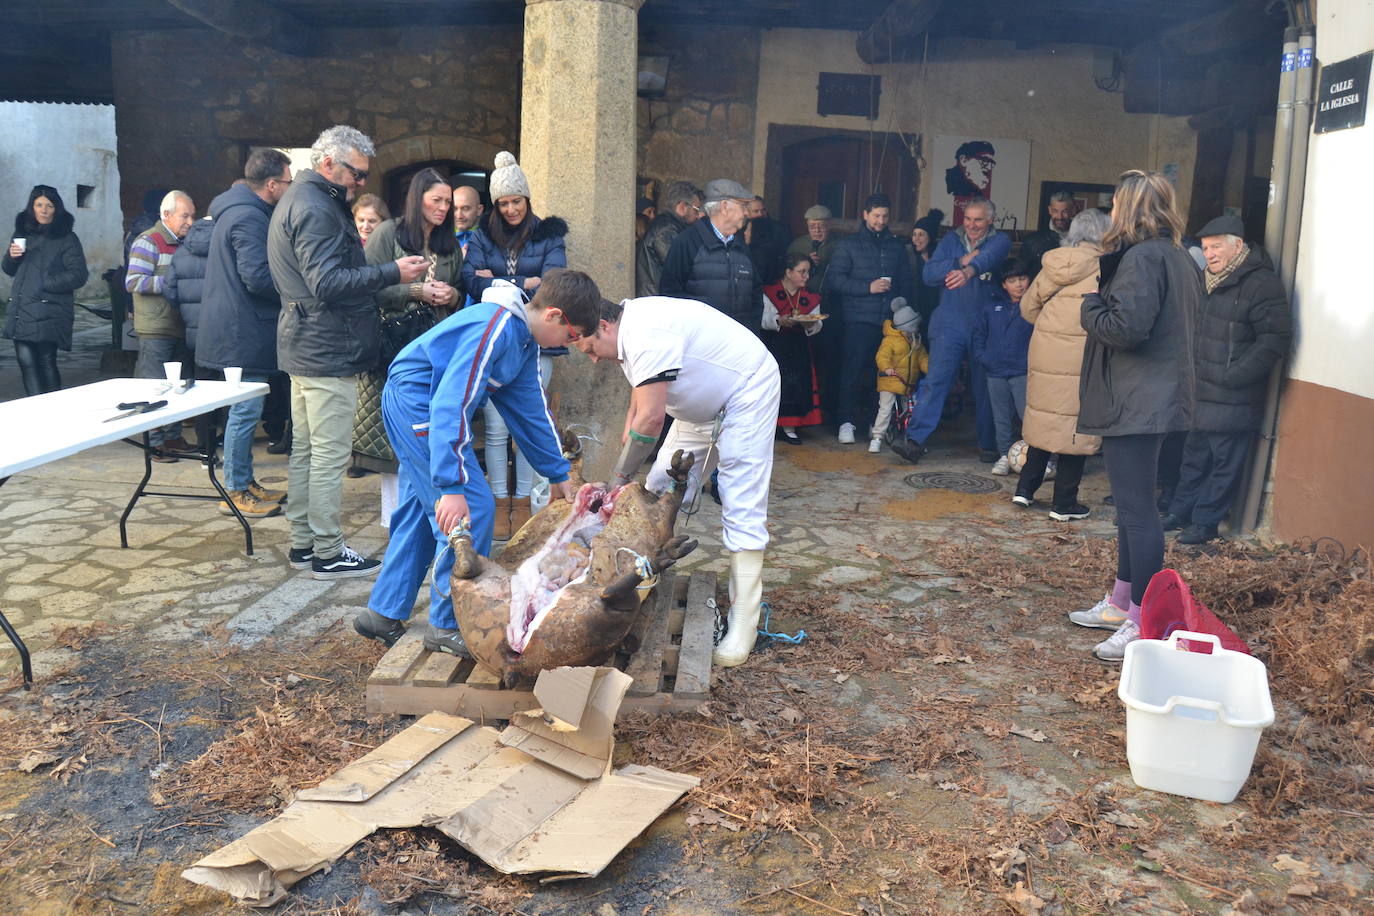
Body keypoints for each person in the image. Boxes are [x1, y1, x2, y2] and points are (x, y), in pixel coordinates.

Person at [352, 270, 600, 656]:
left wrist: (558, 472)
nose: (572, 344)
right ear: (553, 316)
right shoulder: (496, 328)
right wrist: (452, 486)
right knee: (472, 509)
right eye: (572, 335)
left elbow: (530, 410)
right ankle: (447, 624)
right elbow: (452, 402)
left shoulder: (523, 341)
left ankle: (382, 613)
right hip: (419, 404)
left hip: (424, 404)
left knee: (425, 512)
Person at [574, 294, 781, 669]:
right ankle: (636, 582)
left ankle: (744, 623)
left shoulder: (645, 332)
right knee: (656, 489)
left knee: (740, 501)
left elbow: (652, 420)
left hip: (747, 389)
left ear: (604, 325)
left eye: (589, 346)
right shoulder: (628, 327)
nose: (591, 357)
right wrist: (630, 429)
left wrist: (619, 477)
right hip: (700, 407)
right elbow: (641, 403)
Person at [269, 124, 430, 579]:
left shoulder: (299, 199)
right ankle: (327, 549)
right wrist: (391, 272)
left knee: (306, 450)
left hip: (306, 341)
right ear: (327, 164)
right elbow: (328, 284)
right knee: (328, 455)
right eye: (355, 174)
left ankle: (305, 542)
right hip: (325, 345)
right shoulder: (316, 208)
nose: (361, 184)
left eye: (363, 176)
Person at [1070, 169, 1200, 662]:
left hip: (1139, 401)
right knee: (1132, 510)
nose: (1112, 213)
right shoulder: (1178, 257)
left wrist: (1089, 307)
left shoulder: (1145, 257)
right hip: (1155, 397)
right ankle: (1123, 601)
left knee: (1140, 515)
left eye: (1117, 204)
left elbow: (1126, 327)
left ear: (1130, 208)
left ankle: (1143, 621)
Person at [1162, 214, 1290, 545]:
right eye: (1205, 248)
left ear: (1238, 246)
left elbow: (1274, 339)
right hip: (1200, 390)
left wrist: (1234, 375)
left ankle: (1205, 523)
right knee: (1193, 458)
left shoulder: (1261, 283)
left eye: (1216, 246)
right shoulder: (1206, 279)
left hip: (1233, 393)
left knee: (1223, 464)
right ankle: (1181, 511)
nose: (1209, 254)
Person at [461, 151, 568, 540]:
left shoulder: (549, 234)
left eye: (516, 201)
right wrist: (528, 282)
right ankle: (498, 500)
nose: (509, 209)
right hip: (492, 337)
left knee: (525, 423)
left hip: (538, 340)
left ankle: (523, 502)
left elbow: (553, 279)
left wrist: (503, 283)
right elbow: (469, 278)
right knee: (494, 426)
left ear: (527, 199)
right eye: (503, 202)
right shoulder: (482, 235)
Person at [351, 168, 461, 502]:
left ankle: (431, 509)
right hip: (395, 348)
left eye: (448, 202)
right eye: (436, 200)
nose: (443, 208)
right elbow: (365, 287)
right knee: (395, 437)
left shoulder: (448, 243)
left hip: (437, 347)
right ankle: (394, 520)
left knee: (430, 431)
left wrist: (452, 296)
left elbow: (460, 290)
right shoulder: (388, 233)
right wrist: (414, 291)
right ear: (418, 198)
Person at [197, 147, 294, 518]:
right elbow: (256, 277)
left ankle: (244, 480)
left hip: (241, 328)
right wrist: (293, 287)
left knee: (247, 409)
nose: (290, 187)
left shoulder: (242, 211)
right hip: (241, 331)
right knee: (244, 411)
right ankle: (235, 489)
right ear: (271, 185)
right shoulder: (247, 218)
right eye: (287, 181)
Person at [891, 198, 1011, 464]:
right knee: (936, 381)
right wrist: (959, 260)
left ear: (990, 220)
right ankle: (914, 441)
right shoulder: (950, 241)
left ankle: (988, 444)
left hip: (985, 323)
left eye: (978, 219)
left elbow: (991, 257)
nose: (971, 225)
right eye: (967, 219)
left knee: (984, 386)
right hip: (950, 321)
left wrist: (969, 270)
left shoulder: (1000, 240)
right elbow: (929, 274)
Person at [1014, 208, 1110, 520]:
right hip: (1083, 352)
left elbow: (1028, 307)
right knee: (1074, 427)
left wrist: (1050, 326)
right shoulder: (1104, 266)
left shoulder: (1054, 261)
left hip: (1045, 350)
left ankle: (1024, 490)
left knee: (1044, 418)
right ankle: (1064, 503)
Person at [826, 193, 912, 445]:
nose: (881, 220)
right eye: (876, 215)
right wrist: (868, 287)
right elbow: (835, 280)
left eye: (885, 216)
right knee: (852, 372)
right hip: (858, 319)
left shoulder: (896, 246)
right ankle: (846, 422)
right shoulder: (848, 244)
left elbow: (906, 282)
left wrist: (903, 312)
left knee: (884, 374)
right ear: (865, 215)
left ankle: (878, 423)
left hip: (889, 322)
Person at [126, 190, 196, 459]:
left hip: (179, 326)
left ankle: (173, 436)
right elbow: (133, 281)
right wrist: (172, 284)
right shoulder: (149, 241)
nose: (190, 221)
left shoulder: (184, 243)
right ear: (166, 215)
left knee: (179, 386)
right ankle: (154, 443)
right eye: (184, 215)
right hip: (155, 328)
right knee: (154, 385)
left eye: (192, 215)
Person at [3, 185, 88, 396]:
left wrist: (45, 283)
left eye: (49, 206)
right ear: (32, 207)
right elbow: (8, 269)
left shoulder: (67, 238)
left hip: (49, 310)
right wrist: (11, 257)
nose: (43, 210)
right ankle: (36, 411)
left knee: (45, 362)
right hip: (22, 309)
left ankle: (53, 409)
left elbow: (78, 275)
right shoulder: (23, 233)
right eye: (39, 205)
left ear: (56, 208)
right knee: (26, 363)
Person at [659, 178, 762, 331]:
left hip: (739, 344)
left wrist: (752, 334)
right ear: (725, 207)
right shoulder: (687, 242)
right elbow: (670, 295)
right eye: (743, 206)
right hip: (701, 347)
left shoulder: (741, 246)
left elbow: (756, 296)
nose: (747, 213)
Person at [972, 259, 1034, 474]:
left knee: (1028, 417)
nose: (1019, 285)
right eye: (1012, 280)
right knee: (1001, 417)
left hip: (1022, 371)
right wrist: (983, 357)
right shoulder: (992, 306)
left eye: (1022, 279)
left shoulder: (1034, 306)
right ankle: (1005, 456)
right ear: (1003, 284)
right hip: (995, 371)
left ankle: (1036, 460)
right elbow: (979, 334)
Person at [786, 204, 842, 420]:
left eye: (821, 226)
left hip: (831, 308)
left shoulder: (839, 246)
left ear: (829, 226)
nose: (817, 231)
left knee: (829, 359)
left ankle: (827, 407)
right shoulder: (797, 245)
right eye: (812, 226)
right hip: (802, 308)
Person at [762, 253, 824, 444]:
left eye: (808, 272)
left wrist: (808, 325)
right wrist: (779, 320)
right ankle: (769, 427)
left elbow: (816, 322)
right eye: (801, 272)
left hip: (799, 348)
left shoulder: (809, 297)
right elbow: (764, 319)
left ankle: (790, 427)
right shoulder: (770, 293)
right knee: (774, 385)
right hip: (775, 347)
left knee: (797, 386)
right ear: (788, 272)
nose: (806, 276)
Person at [870, 301, 928, 453]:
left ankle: (914, 439)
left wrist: (930, 369)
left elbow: (922, 358)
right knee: (885, 408)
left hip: (908, 383)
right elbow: (882, 356)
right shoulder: (890, 340)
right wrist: (887, 368)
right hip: (890, 380)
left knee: (911, 410)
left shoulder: (916, 341)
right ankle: (877, 437)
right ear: (907, 326)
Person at [635, 180, 702, 298]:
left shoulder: (670, 226)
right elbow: (681, 270)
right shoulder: (666, 230)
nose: (698, 215)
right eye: (696, 210)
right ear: (682, 207)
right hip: (656, 302)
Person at [1020, 191, 1078, 277]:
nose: (1059, 217)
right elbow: (1021, 272)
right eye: (1055, 211)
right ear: (1049, 210)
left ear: (1072, 211)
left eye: (1064, 211)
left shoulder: (1081, 239)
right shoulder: (1032, 240)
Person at [906, 209, 944, 330]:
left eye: (921, 234)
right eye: (914, 234)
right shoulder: (908, 256)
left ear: (930, 237)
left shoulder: (940, 258)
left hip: (936, 317)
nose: (916, 239)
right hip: (914, 317)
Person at [944, 140, 996, 227]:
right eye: (984, 161)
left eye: (991, 163)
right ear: (964, 160)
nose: (989, 168)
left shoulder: (976, 191)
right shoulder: (949, 184)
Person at [744, 196, 789, 285]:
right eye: (756, 211)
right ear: (747, 212)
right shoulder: (739, 229)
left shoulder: (780, 229)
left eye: (763, 210)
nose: (760, 214)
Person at [451, 184, 483, 260]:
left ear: (479, 210)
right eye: (454, 209)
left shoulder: (492, 239)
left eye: (465, 208)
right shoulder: (440, 238)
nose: (459, 216)